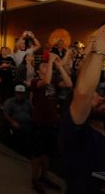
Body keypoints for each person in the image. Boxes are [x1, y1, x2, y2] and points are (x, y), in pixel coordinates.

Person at [60, 24, 105, 194]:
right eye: (94, 97)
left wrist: (100, 51)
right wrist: (97, 49)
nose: (102, 97)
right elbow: (83, 92)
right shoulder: (76, 136)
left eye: (99, 95)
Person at [30, 53, 72, 194]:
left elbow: (69, 83)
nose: (46, 66)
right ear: (37, 71)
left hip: (52, 121)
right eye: (43, 65)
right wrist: (51, 61)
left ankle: (44, 177)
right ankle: (34, 179)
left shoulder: (53, 79)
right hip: (39, 122)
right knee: (37, 153)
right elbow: (46, 82)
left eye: (46, 65)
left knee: (47, 153)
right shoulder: (35, 82)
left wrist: (59, 66)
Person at [3, 84, 32, 156]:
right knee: (24, 131)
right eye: (18, 93)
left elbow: (31, 112)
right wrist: (12, 121)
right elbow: (5, 114)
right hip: (15, 122)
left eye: (22, 93)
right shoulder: (9, 102)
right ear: (15, 93)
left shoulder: (27, 102)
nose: (20, 95)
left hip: (27, 122)